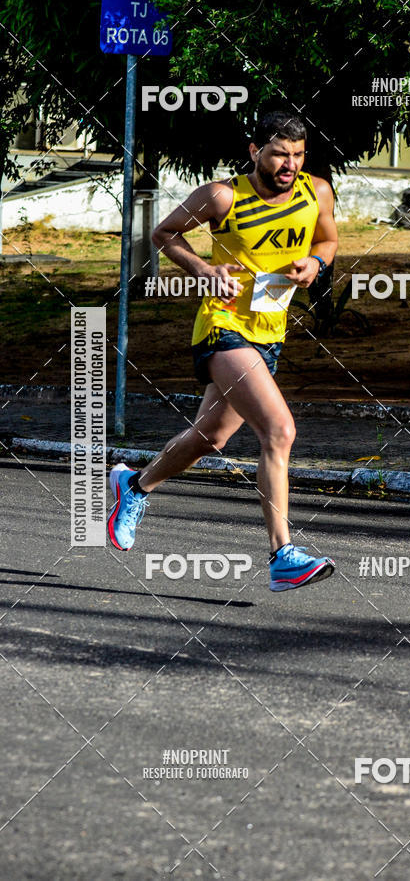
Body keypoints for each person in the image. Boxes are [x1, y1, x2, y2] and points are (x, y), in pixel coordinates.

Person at [107, 111, 337, 592]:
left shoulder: (316, 191)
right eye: (279, 154)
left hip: (271, 332)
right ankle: (282, 555)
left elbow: (328, 239)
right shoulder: (221, 196)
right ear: (255, 152)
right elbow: (164, 234)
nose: (289, 164)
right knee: (279, 429)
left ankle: (135, 486)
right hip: (223, 325)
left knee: (210, 437)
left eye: (297, 154)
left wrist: (315, 262)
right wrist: (202, 269)